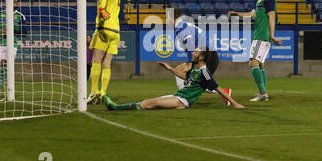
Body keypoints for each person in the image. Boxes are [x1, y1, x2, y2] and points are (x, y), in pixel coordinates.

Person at [104, 48, 245, 111]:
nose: (192, 52)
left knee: (151, 103)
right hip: (178, 96)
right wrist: (170, 69)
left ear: (201, 57)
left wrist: (234, 103)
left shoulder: (205, 73)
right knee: (148, 103)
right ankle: (117, 108)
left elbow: (217, 88)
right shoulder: (195, 70)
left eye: (195, 51)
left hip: (183, 101)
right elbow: (185, 77)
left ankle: (116, 108)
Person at [228, 0, 282, 102]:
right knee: (260, 65)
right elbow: (252, 15)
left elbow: (272, 16)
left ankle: (263, 93)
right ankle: (262, 92)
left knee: (252, 63)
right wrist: (237, 14)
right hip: (260, 35)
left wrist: (272, 35)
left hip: (262, 35)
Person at [87, 0, 132, 104]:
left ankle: (94, 91)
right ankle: (103, 92)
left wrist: (100, 23)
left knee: (96, 60)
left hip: (104, 28)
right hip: (116, 31)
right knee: (107, 62)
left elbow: (102, 7)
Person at [173, 8, 232, 105]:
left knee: (197, 81)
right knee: (189, 77)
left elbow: (190, 42)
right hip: (207, 55)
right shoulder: (184, 25)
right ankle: (182, 96)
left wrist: (189, 62)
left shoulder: (180, 27)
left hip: (207, 56)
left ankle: (182, 97)